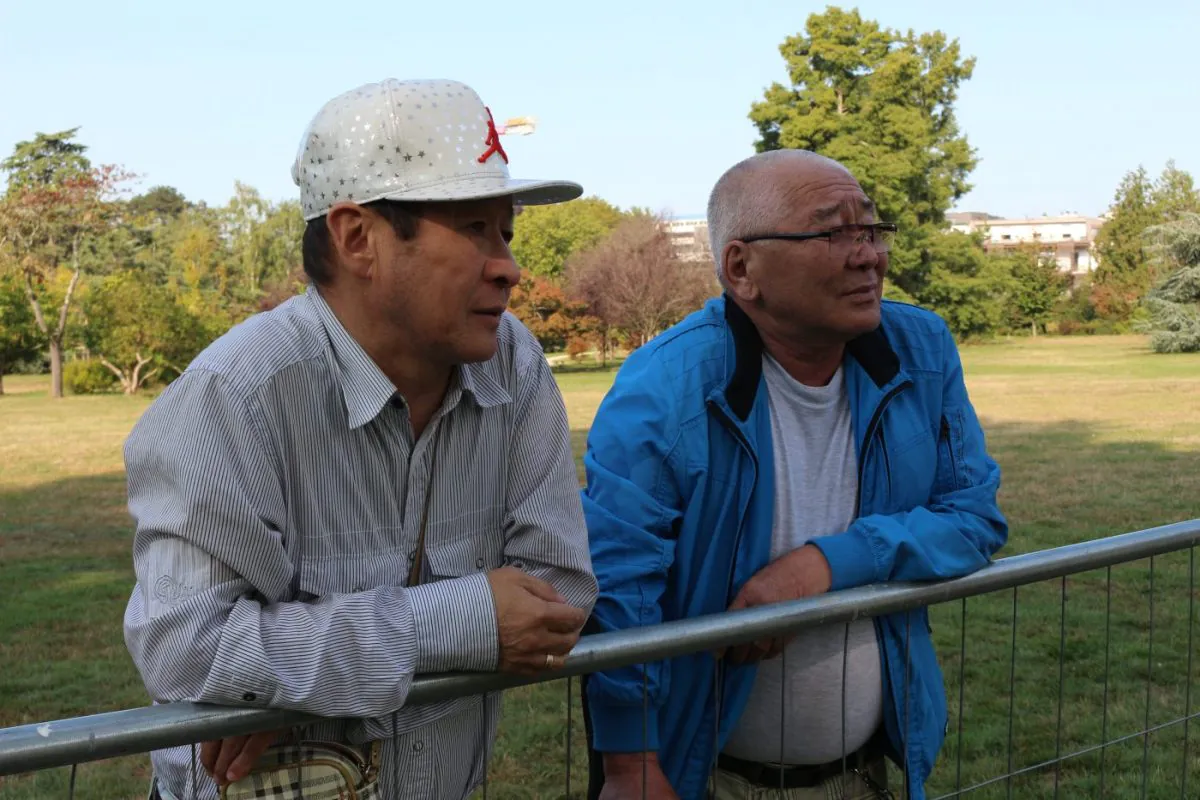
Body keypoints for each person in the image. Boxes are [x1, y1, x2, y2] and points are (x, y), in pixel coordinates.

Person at [122, 77, 598, 800]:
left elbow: (556, 598)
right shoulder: (235, 396)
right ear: (356, 238)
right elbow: (188, 651)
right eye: (474, 229)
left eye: (507, 231)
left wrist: (287, 684)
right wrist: (457, 624)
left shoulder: (517, 363)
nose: (508, 265)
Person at [580, 149, 1008, 800]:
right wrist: (630, 764)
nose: (868, 255)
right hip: (706, 778)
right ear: (742, 269)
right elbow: (620, 588)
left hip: (867, 773)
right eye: (834, 232)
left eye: (870, 229)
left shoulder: (920, 350)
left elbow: (974, 518)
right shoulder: (662, 389)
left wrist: (820, 568)